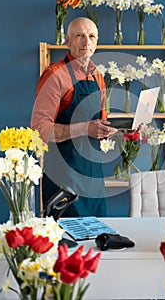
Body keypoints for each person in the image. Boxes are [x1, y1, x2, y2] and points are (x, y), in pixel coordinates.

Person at [31, 17, 117, 217]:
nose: (86, 41)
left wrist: (118, 130)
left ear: (96, 42)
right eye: (79, 36)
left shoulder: (98, 75)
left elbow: (100, 122)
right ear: (67, 41)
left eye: (91, 36)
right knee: (67, 243)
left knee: (96, 240)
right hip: (64, 177)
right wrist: (85, 128)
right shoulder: (54, 75)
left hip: (93, 176)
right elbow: (38, 129)